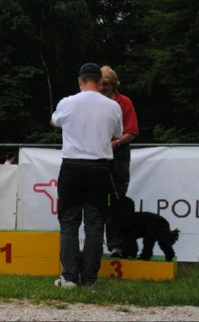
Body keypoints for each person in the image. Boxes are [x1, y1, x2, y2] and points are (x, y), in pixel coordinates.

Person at [50, 62, 123, 287]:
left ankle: (69, 276)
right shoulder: (112, 106)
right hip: (100, 168)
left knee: (69, 221)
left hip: (72, 167)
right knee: (95, 223)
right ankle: (90, 278)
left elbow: (54, 122)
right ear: (101, 83)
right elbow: (118, 133)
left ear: (80, 81)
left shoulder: (67, 102)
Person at [100, 66, 140, 258]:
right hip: (96, 155)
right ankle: (94, 244)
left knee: (117, 202)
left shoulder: (124, 102)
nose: (101, 88)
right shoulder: (92, 102)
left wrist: (116, 143)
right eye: (100, 84)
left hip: (118, 156)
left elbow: (132, 131)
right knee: (95, 201)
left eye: (106, 85)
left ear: (114, 85)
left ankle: (116, 245)